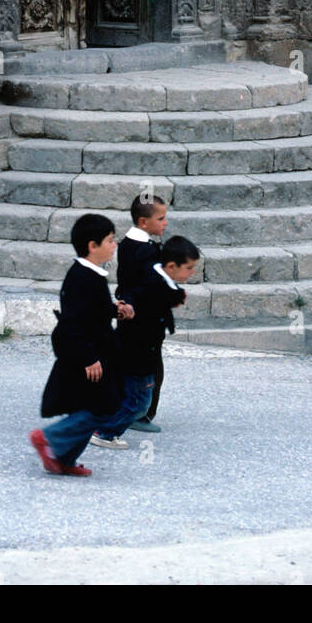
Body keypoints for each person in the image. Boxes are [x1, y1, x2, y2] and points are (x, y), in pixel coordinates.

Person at [29, 212, 134, 478]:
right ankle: (51, 439)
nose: (115, 245)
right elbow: (72, 322)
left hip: (95, 352)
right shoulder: (82, 278)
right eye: (110, 240)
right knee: (101, 408)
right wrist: (88, 358)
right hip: (88, 355)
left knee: (90, 406)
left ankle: (63, 458)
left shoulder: (91, 274)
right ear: (92, 246)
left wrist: (114, 310)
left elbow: (92, 310)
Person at [90, 234, 201, 451]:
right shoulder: (154, 282)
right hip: (140, 351)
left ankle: (100, 422)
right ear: (171, 266)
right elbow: (140, 294)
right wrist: (128, 305)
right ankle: (105, 433)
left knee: (129, 393)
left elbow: (159, 296)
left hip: (138, 348)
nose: (192, 272)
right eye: (189, 268)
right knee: (140, 402)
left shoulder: (160, 279)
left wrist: (176, 296)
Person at [113, 192, 169, 435]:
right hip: (144, 320)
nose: (165, 223)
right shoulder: (144, 250)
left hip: (132, 317)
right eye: (161, 218)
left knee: (127, 363)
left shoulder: (129, 244)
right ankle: (141, 413)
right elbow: (146, 285)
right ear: (144, 222)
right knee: (150, 368)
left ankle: (125, 406)